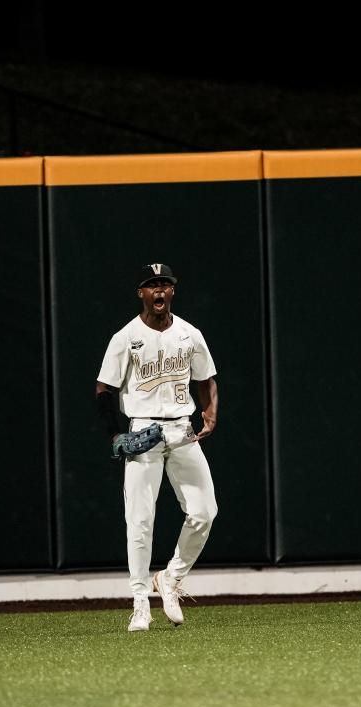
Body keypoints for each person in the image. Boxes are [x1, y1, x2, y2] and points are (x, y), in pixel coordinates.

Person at [95, 263, 219, 632]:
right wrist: (113, 434)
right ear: (142, 293)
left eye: (165, 284)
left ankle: (170, 577)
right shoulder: (126, 337)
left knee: (204, 511)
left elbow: (207, 377)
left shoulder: (188, 333)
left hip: (182, 431)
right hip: (143, 432)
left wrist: (210, 414)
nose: (159, 290)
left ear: (172, 292)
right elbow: (105, 389)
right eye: (152, 285)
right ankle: (139, 603)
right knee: (140, 520)